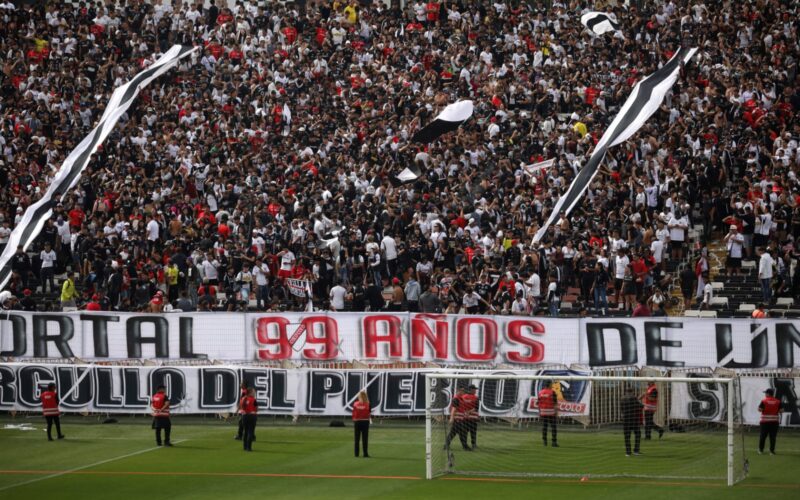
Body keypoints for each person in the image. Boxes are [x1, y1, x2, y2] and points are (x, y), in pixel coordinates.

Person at [758, 388, 782, 455]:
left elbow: (759, 409)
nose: (765, 394)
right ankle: (771, 451)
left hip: (765, 422)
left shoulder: (764, 401)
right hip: (774, 422)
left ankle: (761, 450)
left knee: (763, 436)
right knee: (773, 437)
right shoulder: (778, 401)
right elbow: (781, 410)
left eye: (766, 393)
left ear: (768, 394)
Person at [620, 387, 643, 456]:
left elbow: (621, 409)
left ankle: (628, 452)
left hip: (626, 420)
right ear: (632, 392)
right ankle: (636, 451)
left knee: (627, 436)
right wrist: (642, 403)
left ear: (626, 392)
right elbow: (640, 406)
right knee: (638, 434)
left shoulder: (622, 399)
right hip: (634, 419)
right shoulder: (634, 398)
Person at [538, 380, 558, 447]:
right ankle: (554, 442)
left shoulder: (540, 392)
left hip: (543, 412)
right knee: (553, 427)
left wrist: (539, 412)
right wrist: (556, 412)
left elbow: (538, 403)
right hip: (551, 413)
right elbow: (555, 404)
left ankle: (544, 442)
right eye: (551, 384)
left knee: (544, 427)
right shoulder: (552, 392)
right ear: (549, 385)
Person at [352, 390, 371, 458]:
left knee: (357, 439)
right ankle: (365, 453)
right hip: (365, 422)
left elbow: (353, 413)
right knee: (365, 439)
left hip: (357, 422)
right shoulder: (368, 404)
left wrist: (354, 420)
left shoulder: (355, 404)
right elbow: (369, 413)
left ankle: (356, 454)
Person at [461, 385, 479, 449]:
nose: (475, 391)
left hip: (465, 417)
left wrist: (466, 412)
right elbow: (476, 408)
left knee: (465, 432)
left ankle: (465, 444)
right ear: (471, 390)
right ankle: (473, 445)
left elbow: (461, 407)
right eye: (475, 389)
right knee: (473, 432)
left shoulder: (463, 397)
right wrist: (470, 412)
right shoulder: (476, 398)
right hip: (473, 418)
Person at [240, 387, 258, 451]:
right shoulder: (253, 399)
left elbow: (241, 407)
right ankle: (249, 447)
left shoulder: (242, 399)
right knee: (250, 432)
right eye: (253, 392)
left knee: (245, 431)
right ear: (250, 392)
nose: (254, 393)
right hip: (252, 416)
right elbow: (256, 409)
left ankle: (245, 447)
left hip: (244, 416)